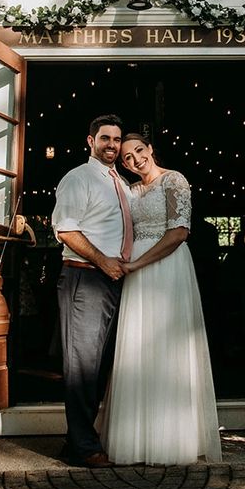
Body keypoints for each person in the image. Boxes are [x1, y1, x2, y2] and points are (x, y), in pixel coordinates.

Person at [100, 133, 222, 465]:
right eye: (127, 157)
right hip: (135, 275)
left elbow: (179, 232)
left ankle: (172, 438)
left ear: (150, 149)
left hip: (165, 268)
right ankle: (136, 438)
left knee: (168, 349)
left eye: (139, 151)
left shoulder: (175, 181)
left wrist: (138, 263)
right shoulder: (130, 190)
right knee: (137, 348)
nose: (135, 159)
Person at [50, 114, 133, 469]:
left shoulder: (122, 183)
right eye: (105, 138)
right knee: (83, 365)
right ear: (90, 141)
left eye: (116, 139)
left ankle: (76, 441)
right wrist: (103, 261)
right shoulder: (78, 179)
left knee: (100, 365)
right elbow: (66, 230)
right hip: (85, 277)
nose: (111, 145)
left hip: (113, 279)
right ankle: (85, 448)